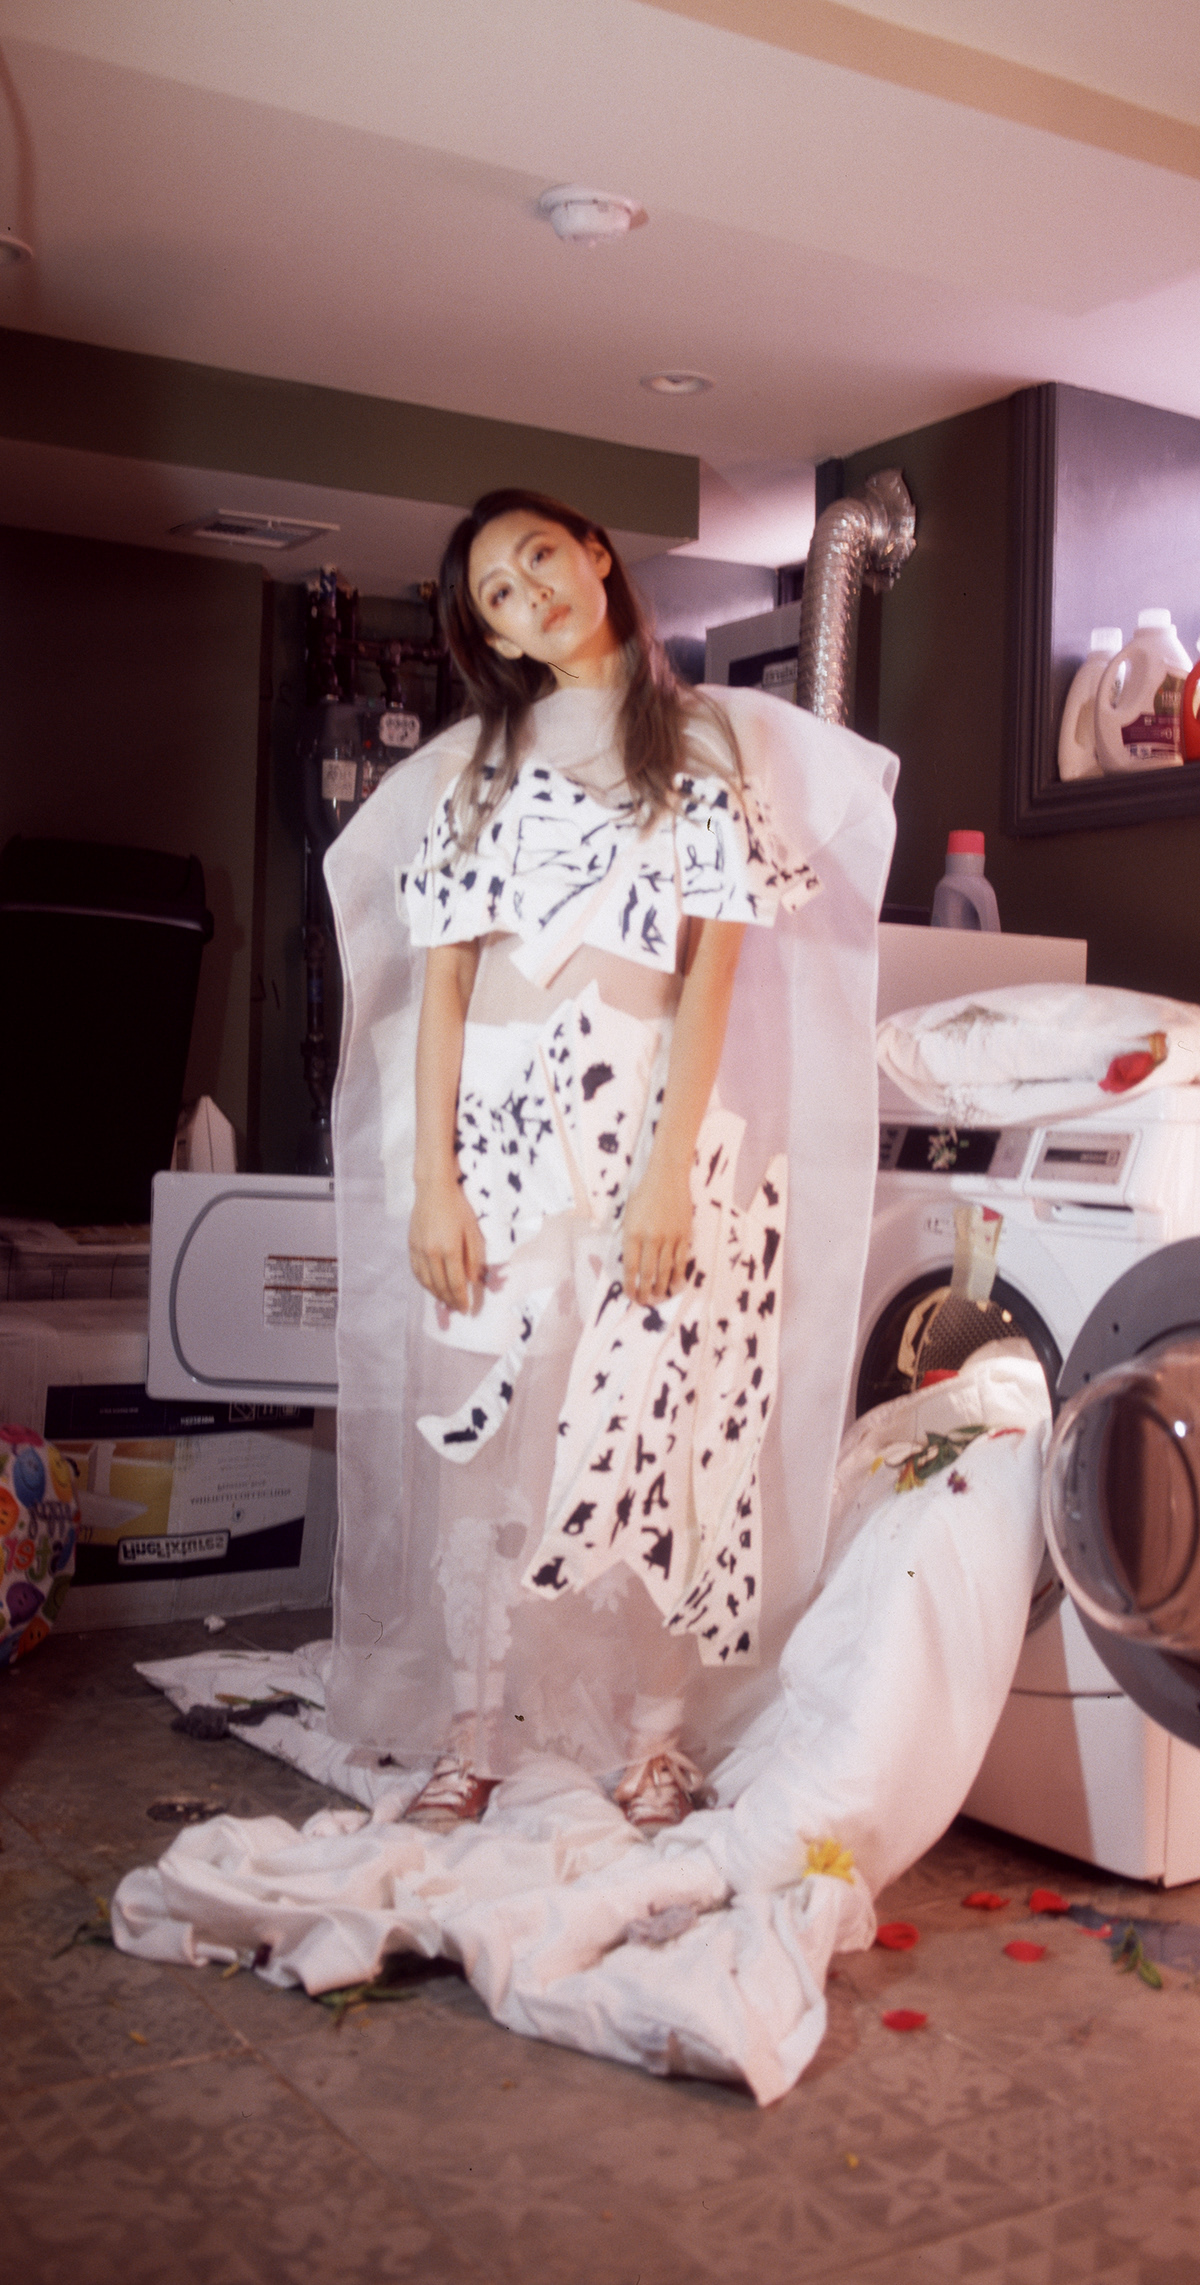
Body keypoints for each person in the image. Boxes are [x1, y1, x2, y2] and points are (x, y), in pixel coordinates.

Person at [322, 488, 897, 1835]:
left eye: (539, 557)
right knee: (485, 1450)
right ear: (495, 638)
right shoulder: (479, 767)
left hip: (647, 1131)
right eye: (497, 595)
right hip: (497, 1137)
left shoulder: (697, 745)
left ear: (592, 553)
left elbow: (707, 982)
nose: (528, 593)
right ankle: (472, 1737)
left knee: (663, 1426)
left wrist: (665, 1173)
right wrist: (435, 1184)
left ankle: (652, 1739)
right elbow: (442, 990)